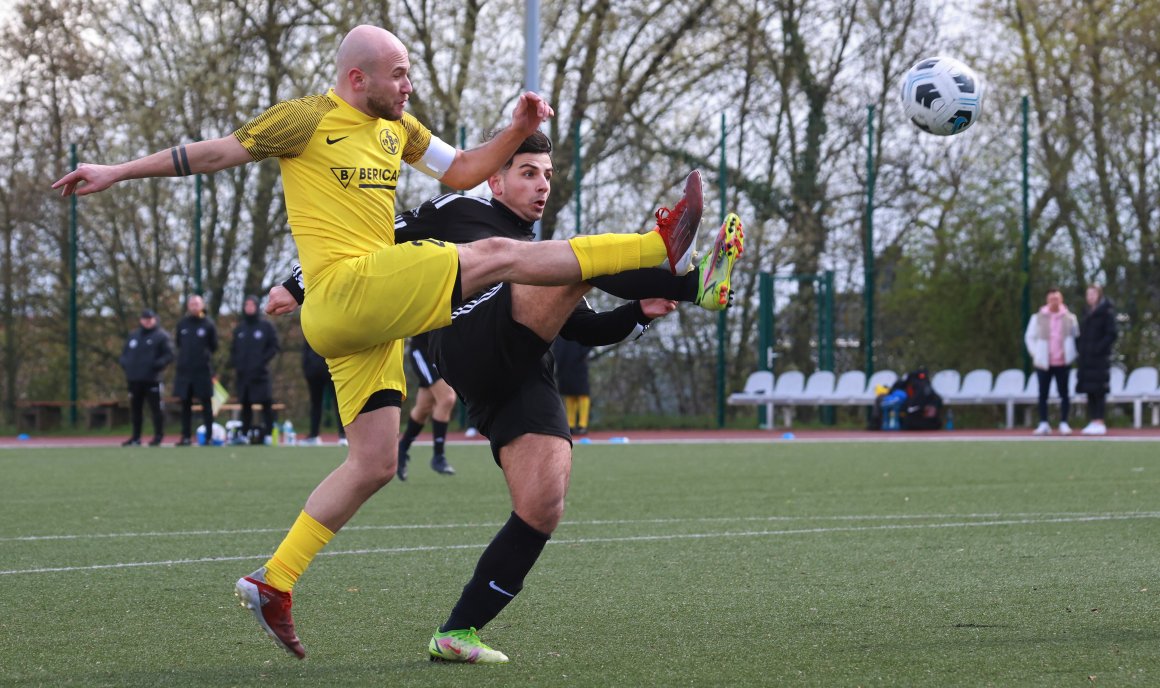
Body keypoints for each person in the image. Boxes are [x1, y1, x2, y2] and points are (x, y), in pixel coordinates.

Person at [53, 25, 705, 662]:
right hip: (344, 291)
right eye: (398, 74)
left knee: (373, 463)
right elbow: (215, 153)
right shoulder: (305, 120)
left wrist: (515, 126)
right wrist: (118, 170)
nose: (408, 84)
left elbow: (464, 171)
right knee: (500, 255)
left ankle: (274, 580)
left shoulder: (399, 129)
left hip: (367, 320)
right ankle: (658, 245)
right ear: (356, 77)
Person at [270, 130, 743, 663]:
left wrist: (637, 314)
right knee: (573, 260)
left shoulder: (547, 256)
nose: (541, 185)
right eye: (527, 173)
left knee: (544, 503)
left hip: (521, 373)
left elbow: (583, 331)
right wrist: (297, 282)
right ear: (495, 179)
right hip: (471, 339)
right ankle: (692, 279)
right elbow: (379, 236)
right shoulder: (458, 209)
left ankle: (457, 633)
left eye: (546, 176)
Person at [396, 333, 457, 479]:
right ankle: (438, 456)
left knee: (424, 407)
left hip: (439, 353)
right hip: (422, 352)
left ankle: (402, 449)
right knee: (447, 398)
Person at [1024, 287, 1079, 435]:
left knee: (1064, 394)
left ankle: (1064, 423)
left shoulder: (1070, 318)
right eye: (1051, 299)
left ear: (1061, 300)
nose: (1054, 301)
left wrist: (1071, 354)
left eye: (1057, 299)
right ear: (1047, 300)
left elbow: (1076, 337)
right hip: (1044, 364)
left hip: (1063, 362)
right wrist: (1036, 355)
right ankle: (1043, 423)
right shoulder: (1037, 318)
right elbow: (1029, 337)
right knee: (1043, 394)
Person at [118, 308, 174, 446]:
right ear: (141, 320)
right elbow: (124, 354)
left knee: (156, 409)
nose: (147, 322)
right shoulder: (134, 336)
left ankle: (158, 436)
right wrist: (126, 365)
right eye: (145, 319)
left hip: (152, 379)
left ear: (155, 319)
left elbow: (169, 355)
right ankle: (136, 437)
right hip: (134, 379)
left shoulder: (161, 336)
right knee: (136, 409)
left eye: (150, 319)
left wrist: (157, 365)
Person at [230, 295, 280, 444]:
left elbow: (274, 347)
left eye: (252, 305)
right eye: (247, 305)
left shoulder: (266, 327)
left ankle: (268, 434)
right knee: (245, 404)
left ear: (257, 307)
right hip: (243, 374)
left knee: (266, 403)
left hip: (260, 373)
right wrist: (237, 364)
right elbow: (233, 350)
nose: (249, 308)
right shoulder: (240, 329)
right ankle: (245, 434)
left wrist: (261, 362)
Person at [173, 294, 218, 446]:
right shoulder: (182, 324)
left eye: (197, 303)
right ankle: (185, 437)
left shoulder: (208, 324)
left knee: (206, 404)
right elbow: (179, 343)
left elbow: (214, 346)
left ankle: (209, 437)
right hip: (185, 372)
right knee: (185, 405)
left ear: (202, 305)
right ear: (188, 306)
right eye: (191, 303)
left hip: (203, 371)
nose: (194, 306)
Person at [1075, 283, 1118, 435]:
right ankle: (1093, 420)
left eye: (1093, 294)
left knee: (1099, 390)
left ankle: (1100, 421)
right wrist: (1081, 349)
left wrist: (1098, 349)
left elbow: (1111, 334)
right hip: (1086, 360)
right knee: (1089, 390)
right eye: (1088, 294)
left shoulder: (1107, 312)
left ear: (1099, 295)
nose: (1090, 297)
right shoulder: (1087, 313)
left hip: (1099, 359)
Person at [300, 340, 346, 446]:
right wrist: (307, 369)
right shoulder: (310, 328)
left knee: (339, 403)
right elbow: (305, 351)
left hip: (332, 371)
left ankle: (343, 436)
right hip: (314, 373)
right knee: (315, 404)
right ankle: (313, 435)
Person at [551, 338, 592, 435]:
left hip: (579, 364)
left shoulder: (581, 326)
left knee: (583, 394)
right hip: (564, 365)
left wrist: (581, 354)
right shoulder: (560, 333)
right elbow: (556, 349)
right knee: (569, 394)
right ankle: (571, 425)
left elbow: (589, 343)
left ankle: (583, 425)